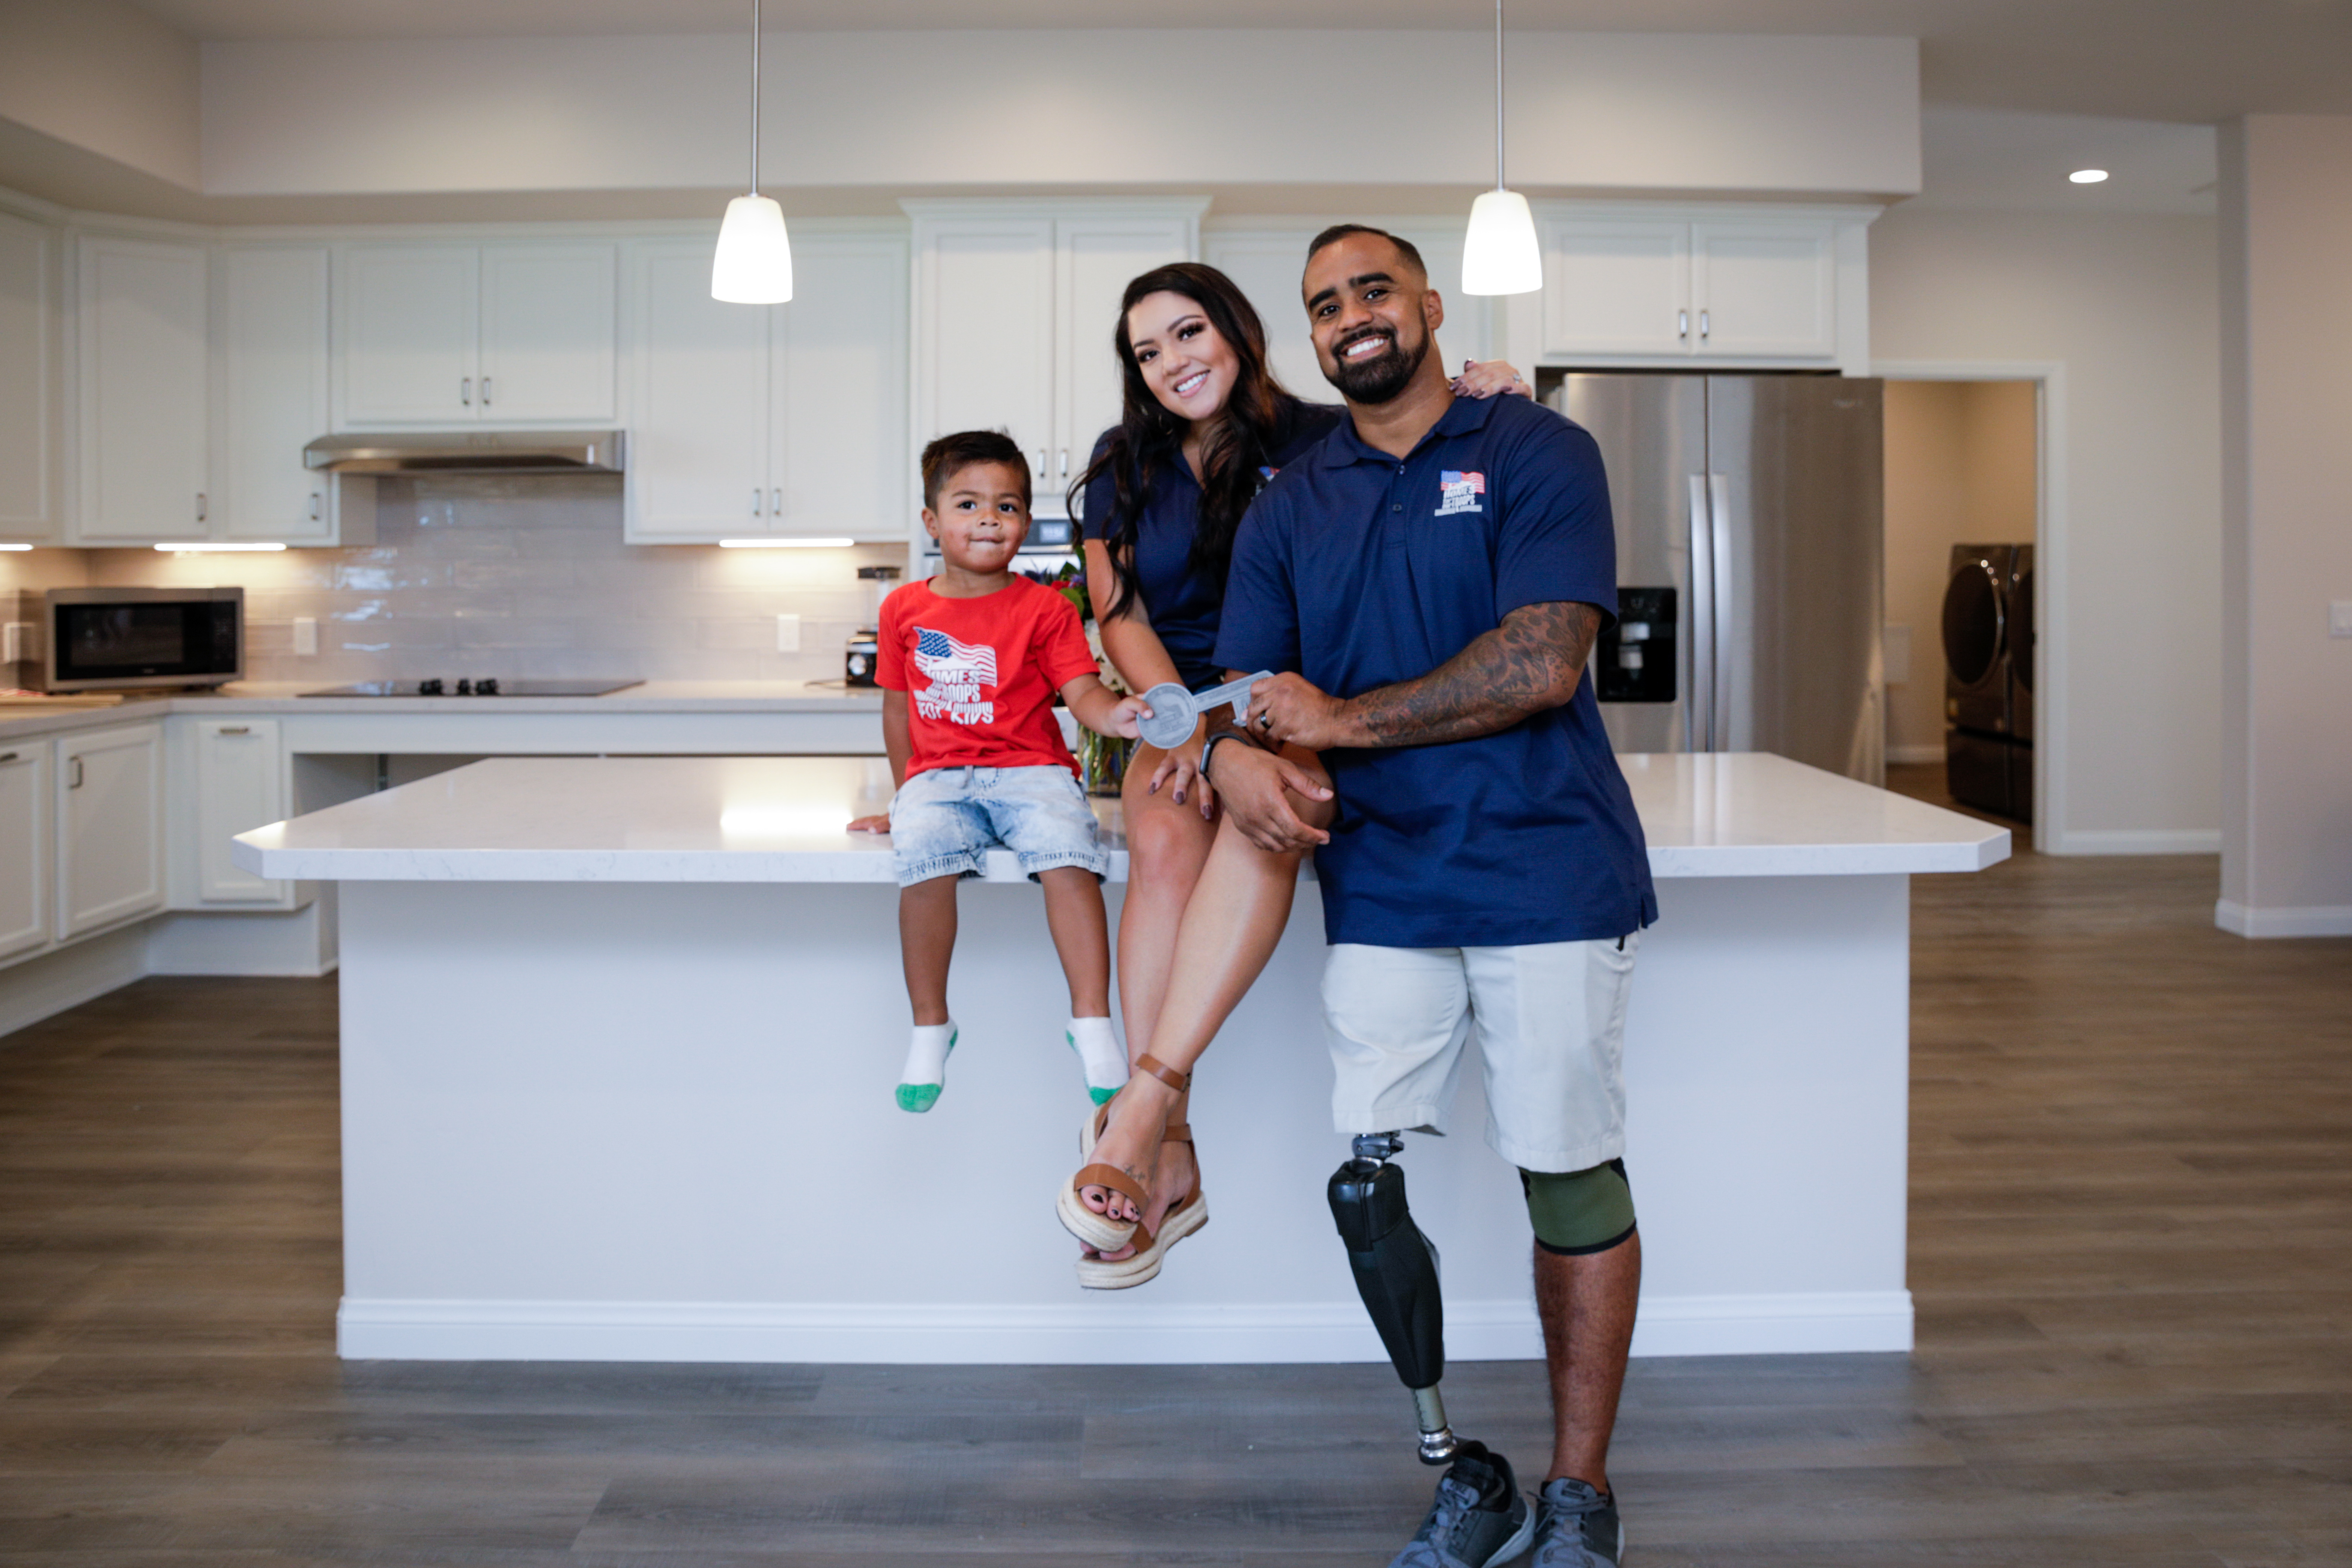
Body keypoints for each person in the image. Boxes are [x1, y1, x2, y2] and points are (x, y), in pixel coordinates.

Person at [1213, 226, 1656, 1568]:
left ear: (1425, 305)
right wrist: (1234, 749)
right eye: (1321, 306)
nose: (1348, 317)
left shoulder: (1533, 449)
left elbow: (1537, 661)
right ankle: (1462, 1469)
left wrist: (1334, 723)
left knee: (1565, 1170)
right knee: (1365, 1184)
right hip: (1384, 884)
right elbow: (1248, 686)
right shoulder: (1291, 496)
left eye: (1370, 291)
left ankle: (1578, 1494)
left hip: (1546, 864)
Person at [1056, 261, 1529, 1289]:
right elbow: (1120, 615)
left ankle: (1142, 1128)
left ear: (1234, 330)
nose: (1172, 362)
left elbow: (1429, 433)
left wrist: (1493, 394)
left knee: (1274, 815)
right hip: (1176, 702)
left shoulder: (1319, 433)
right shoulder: (1120, 460)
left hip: (1284, 695)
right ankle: (1166, 1135)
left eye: (1188, 333)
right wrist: (1181, 728)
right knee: (1164, 837)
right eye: (1148, 351)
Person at [849, 431, 1150, 1115]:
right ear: (932, 522)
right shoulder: (902, 610)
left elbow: (1083, 695)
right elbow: (899, 715)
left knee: (1070, 858)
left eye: (1007, 506)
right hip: (939, 777)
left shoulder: (1046, 609)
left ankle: (1092, 1023)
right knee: (922, 861)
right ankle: (932, 1027)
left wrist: (1120, 716)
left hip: (1032, 769)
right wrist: (906, 797)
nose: (990, 518)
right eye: (968, 504)